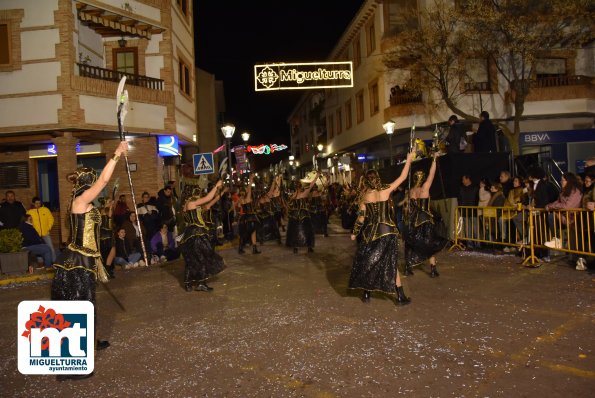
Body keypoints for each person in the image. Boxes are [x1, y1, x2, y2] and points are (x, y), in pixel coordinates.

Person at [51, 141, 128, 380]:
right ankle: (70, 367)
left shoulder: (85, 203)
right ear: (86, 184)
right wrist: (116, 154)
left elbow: (103, 193)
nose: (95, 185)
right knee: (78, 309)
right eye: (91, 181)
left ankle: (90, 342)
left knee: (84, 305)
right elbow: (103, 182)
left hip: (84, 261)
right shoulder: (80, 202)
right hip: (77, 262)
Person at [349, 149, 414, 305]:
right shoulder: (386, 189)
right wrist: (409, 159)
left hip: (370, 233)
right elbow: (403, 177)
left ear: (366, 181)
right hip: (387, 232)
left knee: (369, 260)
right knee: (391, 262)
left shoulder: (365, 196)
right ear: (377, 178)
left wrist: (354, 233)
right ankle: (400, 297)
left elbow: (361, 217)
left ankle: (366, 294)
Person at [404, 152, 450, 277]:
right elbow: (432, 174)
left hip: (414, 220)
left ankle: (408, 266)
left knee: (411, 242)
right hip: (425, 220)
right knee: (430, 243)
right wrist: (434, 160)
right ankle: (433, 268)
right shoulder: (424, 188)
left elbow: (408, 207)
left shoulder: (411, 191)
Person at [180, 180, 225, 292]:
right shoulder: (191, 203)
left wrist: (219, 190)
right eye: (197, 192)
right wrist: (216, 186)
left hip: (190, 234)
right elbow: (207, 198)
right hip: (196, 234)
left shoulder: (186, 205)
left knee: (193, 259)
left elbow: (210, 201)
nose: (198, 194)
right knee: (203, 257)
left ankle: (189, 284)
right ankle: (200, 283)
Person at [544, 173, 582, 250]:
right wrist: (549, 205)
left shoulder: (575, 192)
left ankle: (558, 240)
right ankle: (557, 239)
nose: (561, 182)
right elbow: (558, 202)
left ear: (569, 181)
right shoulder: (563, 192)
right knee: (551, 217)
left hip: (573, 219)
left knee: (551, 217)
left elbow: (568, 206)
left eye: (563, 180)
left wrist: (552, 207)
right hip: (564, 217)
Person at [286, 172, 319, 254]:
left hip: (294, 216)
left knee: (295, 231)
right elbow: (311, 185)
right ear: (300, 187)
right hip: (304, 215)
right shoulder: (304, 194)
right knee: (308, 230)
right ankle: (309, 247)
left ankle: (295, 247)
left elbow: (289, 203)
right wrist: (316, 177)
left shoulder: (293, 195)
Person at [26, 197, 56, 262]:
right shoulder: (29, 212)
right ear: (33, 203)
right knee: (39, 250)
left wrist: (48, 227)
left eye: (39, 203)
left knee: (51, 248)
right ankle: (41, 263)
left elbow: (51, 219)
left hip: (46, 233)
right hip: (36, 235)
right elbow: (28, 223)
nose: (38, 205)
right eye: (36, 203)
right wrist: (32, 231)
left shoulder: (45, 210)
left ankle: (54, 262)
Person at [237, 174, 261, 254]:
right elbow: (249, 189)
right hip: (251, 217)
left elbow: (238, 206)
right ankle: (253, 249)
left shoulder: (240, 199)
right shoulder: (247, 198)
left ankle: (241, 248)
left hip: (244, 217)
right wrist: (250, 180)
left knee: (245, 233)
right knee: (252, 232)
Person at [458, 175, 479, 249]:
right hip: (464, 212)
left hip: (474, 212)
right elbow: (459, 200)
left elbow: (477, 200)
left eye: (463, 179)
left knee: (476, 229)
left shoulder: (475, 188)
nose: (462, 181)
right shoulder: (461, 189)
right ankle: (470, 244)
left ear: (468, 179)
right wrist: (460, 209)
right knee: (468, 229)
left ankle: (478, 244)